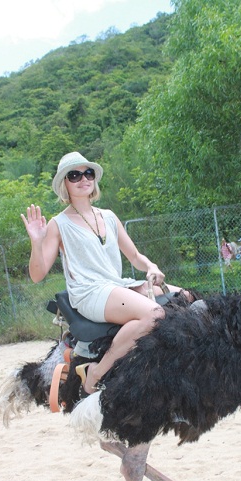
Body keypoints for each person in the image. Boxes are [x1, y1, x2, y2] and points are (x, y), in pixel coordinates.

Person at [21, 151, 192, 397]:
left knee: (186, 297)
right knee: (154, 313)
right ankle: (96, 374)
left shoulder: (109, 216)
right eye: (74, 175)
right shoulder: (59, 224)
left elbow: (135, 257)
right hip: (90, 291)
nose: (83, 178)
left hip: (118, 284)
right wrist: (37, 242)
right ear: (64, 184)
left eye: (88, 172)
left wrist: (152, 267)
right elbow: (37, 275)